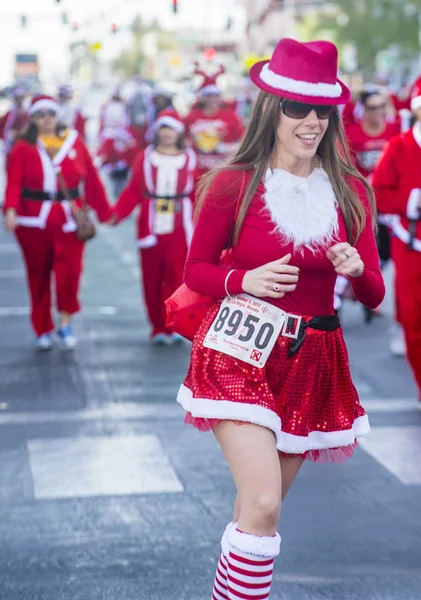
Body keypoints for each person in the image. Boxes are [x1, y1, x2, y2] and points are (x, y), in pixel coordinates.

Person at [176, 38, 385, 599]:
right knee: (264, 503)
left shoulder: (351, 190)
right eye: (298, 108)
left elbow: (373, 294)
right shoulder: (232, 183)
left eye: (322, 110)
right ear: (272, 108)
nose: (312, 121)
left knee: (253, 510)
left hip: (312, 359)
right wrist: (240, 280)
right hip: (238, 353)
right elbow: (195, 269)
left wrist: (359, 266)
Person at [2, 94, 111, 350]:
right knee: (38, 275)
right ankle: (42, 328)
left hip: (69, 219)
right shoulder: (22, 146)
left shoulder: (74, 141)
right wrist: (10, 209)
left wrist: (106, 212)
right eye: (41, 114)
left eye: (51, 113)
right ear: (33, 119)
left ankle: (65, 321)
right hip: (33, 221)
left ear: (57, 115)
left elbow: (92, 179)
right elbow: (14, 181)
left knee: (69, 273)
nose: (47, 118)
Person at [110, 109, 197, 344]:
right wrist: (117, 213)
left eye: (171, 129)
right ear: (156, 132)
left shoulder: (190, 158)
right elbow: (133, 189)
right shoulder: (145, 157)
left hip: (181, 226)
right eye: (163, 129)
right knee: (151, 279)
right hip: (151, 226)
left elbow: (200, 192)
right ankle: (158, 327)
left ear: (179, 132)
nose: (167, 134)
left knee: (178, 278)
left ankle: (175, 325)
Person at [372, 76, 421, 404]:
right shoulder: (399, 146)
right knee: (414, 318)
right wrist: (411, 201)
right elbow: (377, 194)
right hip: (411, 243)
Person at [344, 89, 400, 326]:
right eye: (373, 108)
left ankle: (366, 288)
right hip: (362, 200)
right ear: (364, 111)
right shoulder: (353, 133)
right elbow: (346, 165)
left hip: (386, 199)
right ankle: (362, 289)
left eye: (382, 108)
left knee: (387, 253)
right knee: (364, 246)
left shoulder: (394, 130)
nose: (378, 113)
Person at [185, 64, 244, 176]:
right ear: (202, 98)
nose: (212, 99)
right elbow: (183, 140)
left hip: (223, 169)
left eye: (215, 96)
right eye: (209, 96)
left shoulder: (231, 116)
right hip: (196, 170)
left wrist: (224, 148)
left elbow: (242, 142)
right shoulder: (191, 116)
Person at [0, 86, 29, 159]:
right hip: (12, 146)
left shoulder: (28, 113)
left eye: (20, 98)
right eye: (17, 98)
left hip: (27, 143)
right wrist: (10, 134)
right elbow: (2, 130)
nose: (19, 100)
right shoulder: (8, 115)